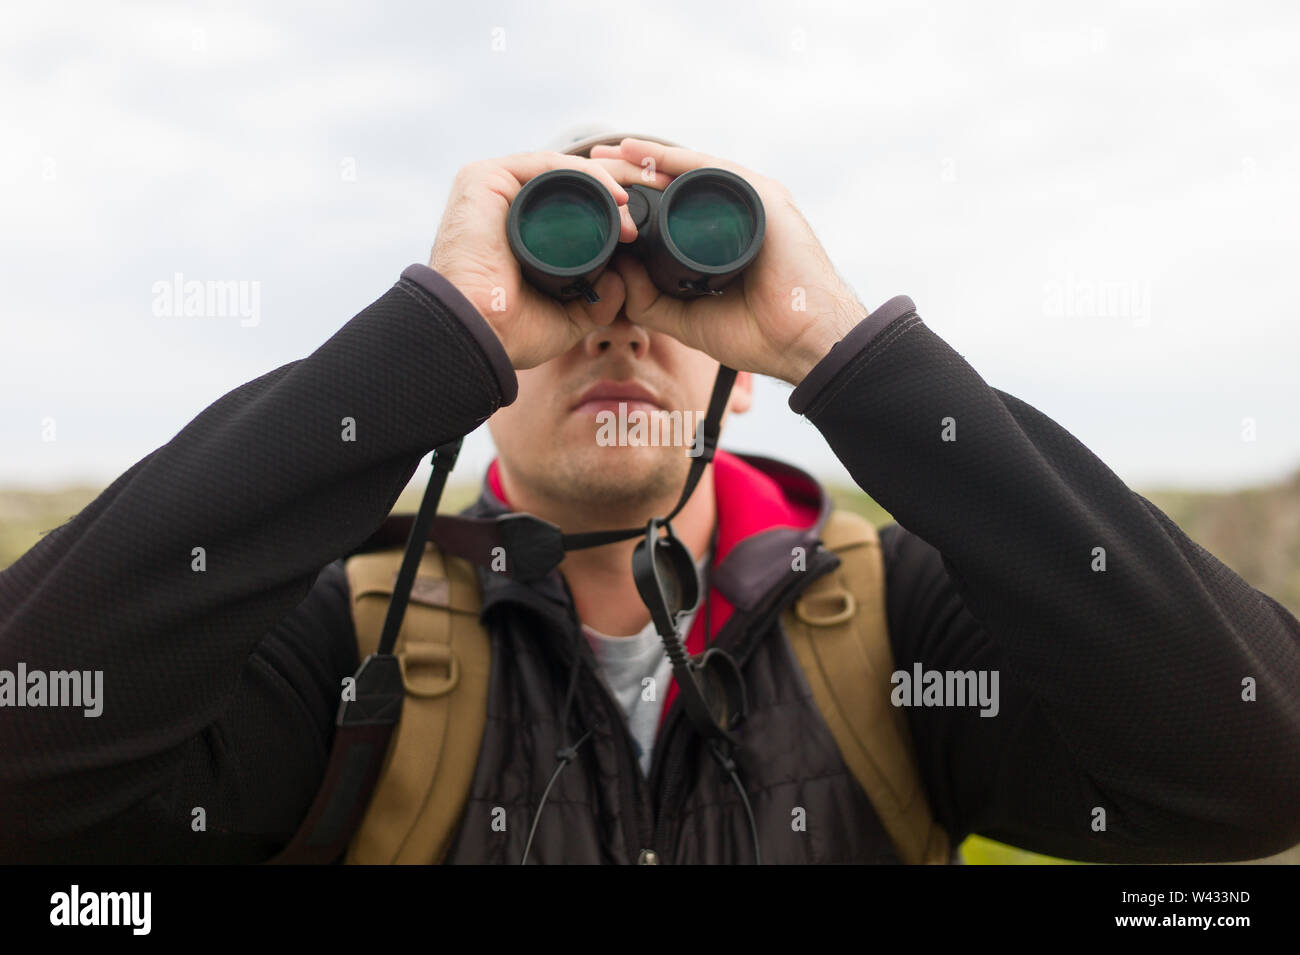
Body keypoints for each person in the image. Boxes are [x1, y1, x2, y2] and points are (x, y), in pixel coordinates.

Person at [2, 128, 1298, 865]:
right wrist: (420, 344)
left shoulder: (896, 629)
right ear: (481, 380)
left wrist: (840, 345)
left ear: (740, 387)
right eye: (559, 292)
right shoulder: (351, 646)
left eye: (672, 299)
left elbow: (1258, 768)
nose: (614, 329)